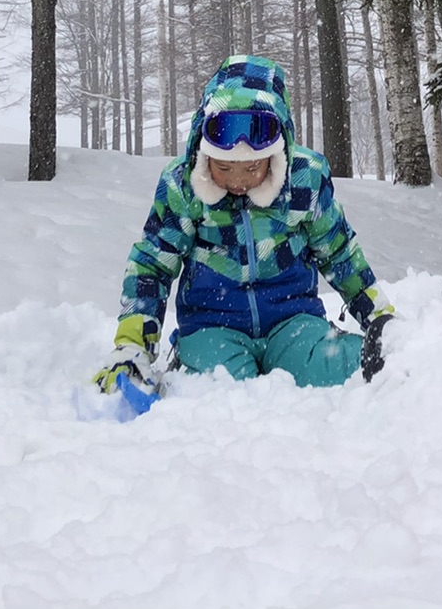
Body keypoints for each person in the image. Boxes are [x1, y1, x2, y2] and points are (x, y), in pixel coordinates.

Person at [92, 55, 394, 399]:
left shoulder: (304, 181)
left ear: (276, 154)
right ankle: (190, 361)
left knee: (348, 367)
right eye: (224, 167)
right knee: (225, 388)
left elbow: (340, 254)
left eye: (252, 169)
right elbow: (152, 266)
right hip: (212, 326)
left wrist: (380, 319)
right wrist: (134, 345)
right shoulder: (184, 187)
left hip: (293, 322)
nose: (238, 181)